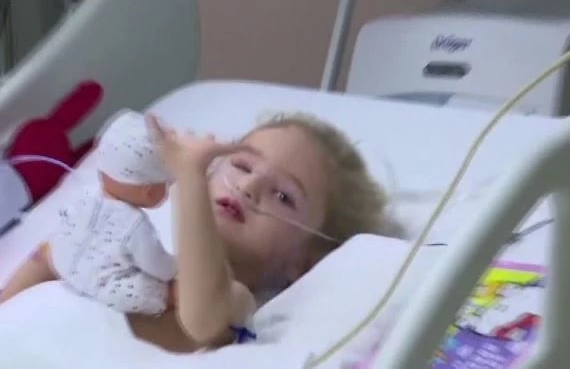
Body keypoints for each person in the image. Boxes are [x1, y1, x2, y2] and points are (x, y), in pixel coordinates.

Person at [0, 112, 401, 352]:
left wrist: (189, 176)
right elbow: (49, 254)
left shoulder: (235, 299)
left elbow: (201, 319)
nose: (248, 187)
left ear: (303, 261)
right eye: (241, 165)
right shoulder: (134, 252)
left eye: (283, 195)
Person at [48, 110, 175, 315]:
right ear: (149, 191)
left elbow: (66, 219)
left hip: (62, 262)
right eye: (166, 185)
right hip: (101, 286)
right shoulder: (134, 224)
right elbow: (158, 265)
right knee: (158, 291)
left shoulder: (85, 193)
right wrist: (176, 267)